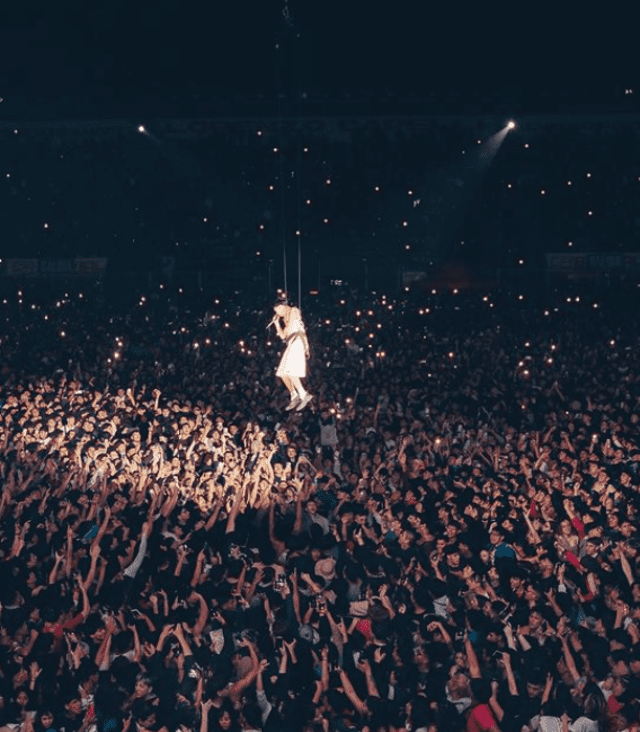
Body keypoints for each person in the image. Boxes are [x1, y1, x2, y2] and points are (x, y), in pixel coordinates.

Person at [271, 298, 312, 412]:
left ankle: (304, 394)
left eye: (278, 310)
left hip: (297, 341)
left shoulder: (293, 311)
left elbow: (294, 320)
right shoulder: (285, 319)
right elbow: (283, 336)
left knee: (291, 371)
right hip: (290, 343)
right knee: (282, 373)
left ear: (282, 306)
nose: (277, 313)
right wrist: (276, 323)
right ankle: (294, 395)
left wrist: (285, 314)